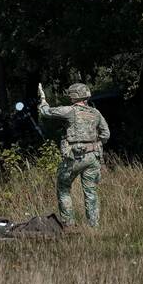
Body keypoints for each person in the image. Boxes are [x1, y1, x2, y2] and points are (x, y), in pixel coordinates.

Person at [38, 82, 110, 227]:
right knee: (91, 192)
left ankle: (69, 225)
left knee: (63, 188)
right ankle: (94, 227)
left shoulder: (70, 111)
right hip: (93, 158)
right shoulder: (96, 113)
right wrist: (94, 144)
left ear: (73, 96)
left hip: (74, 158)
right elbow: (106, 134)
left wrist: (43, 100)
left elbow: (46, 112)